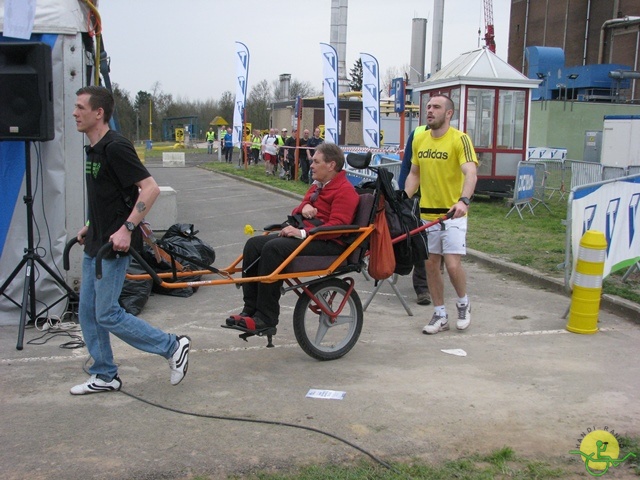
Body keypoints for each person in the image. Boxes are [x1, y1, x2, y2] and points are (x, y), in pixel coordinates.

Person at [71, 86, 191, 394]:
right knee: (87, 312)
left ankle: (172, 346)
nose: (75, 113)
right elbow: (106, 196)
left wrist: (126, 228)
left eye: (81, 107)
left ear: (99, 113)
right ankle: (104, 374)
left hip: (114, 245)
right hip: (96, 242)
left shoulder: (115, 147)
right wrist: (89, 224)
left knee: (107, 312)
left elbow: (148, 189)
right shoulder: (93, 149)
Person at [226, 142, 359, 331]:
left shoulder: (345, 191)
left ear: (331, 165)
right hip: (311, 236)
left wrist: (302, 233)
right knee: (254, 244)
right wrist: (303, 208)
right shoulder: (317, 186)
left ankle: (266, 318)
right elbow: (298, 209)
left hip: (330, 243)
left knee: (273, 249)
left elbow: (338, 227)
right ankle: (250, 309)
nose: (311, 165)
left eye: (316, 161)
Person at [404, 94, 478, 335]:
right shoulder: (419, 138)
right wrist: (404, 199)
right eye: (428, 106)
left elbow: (471, 173)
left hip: (453, 214)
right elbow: (415, 173)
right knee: (430, 264)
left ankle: (463, 304)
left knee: (453, 264)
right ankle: (440, 314)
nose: (430, 110)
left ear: (449, 113)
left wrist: (463, 201)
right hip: (427, 214)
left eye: (436, 107)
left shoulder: (460, 139)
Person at [398, 125, 431, 306]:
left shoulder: (455, 136)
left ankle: (434, 273)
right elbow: (407, 166)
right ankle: (422, 288)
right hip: (418, 195)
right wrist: (404, 194)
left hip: (442, 198)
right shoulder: (417, 133)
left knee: (437, 247)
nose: (431, 112)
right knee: (420, 239)